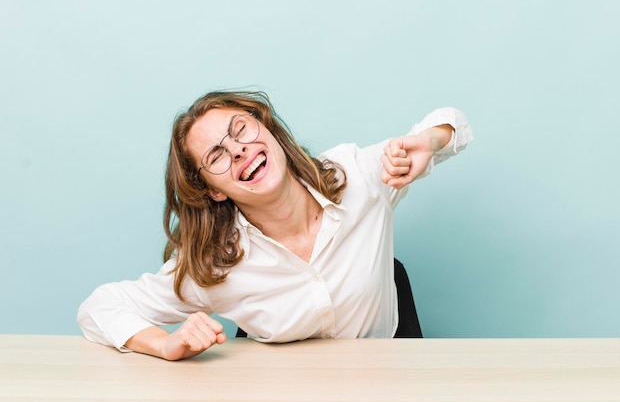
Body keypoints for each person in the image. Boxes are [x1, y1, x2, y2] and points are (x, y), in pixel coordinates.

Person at [77, 90, 473, 360]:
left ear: (267, 130)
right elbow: (99, 308)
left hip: (386, 392)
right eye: (216, 155)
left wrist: (430, 141)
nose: (238, 150)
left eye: (241, 130)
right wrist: (164, 344)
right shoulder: (214, 266)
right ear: (213, 191)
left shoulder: (358, 175)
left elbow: (453, 122)